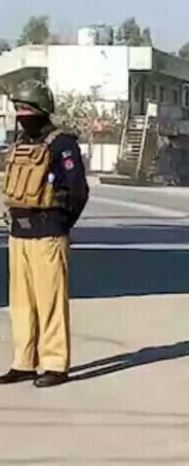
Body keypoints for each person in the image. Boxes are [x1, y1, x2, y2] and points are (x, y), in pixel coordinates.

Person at [0, 80, 89, 388]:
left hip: (49, 233)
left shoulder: (62, 144)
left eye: (26, 109)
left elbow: (78, 191)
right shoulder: (20, 142)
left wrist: (62, 224)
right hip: (18, 234)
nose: (21, 115)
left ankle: (54, 363)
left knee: (50, 302)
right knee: (21, 303)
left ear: (41, 110)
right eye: (18, 110)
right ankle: (23, 362)